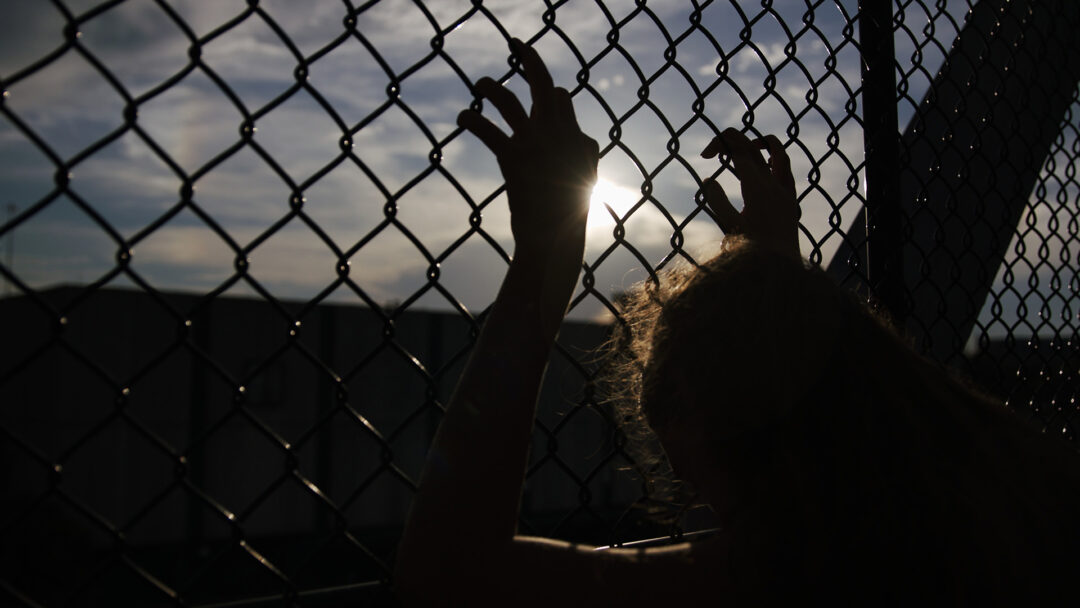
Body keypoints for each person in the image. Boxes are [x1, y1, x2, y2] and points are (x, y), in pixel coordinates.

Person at [394, 39, 1080, 605]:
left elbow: (450, 575)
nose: (697, 496)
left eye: (704, 473)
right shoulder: (1015, 492)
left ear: (764, 454)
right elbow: (797, 372)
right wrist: (778, 281)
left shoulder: (796, 570)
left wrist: (542, 262)